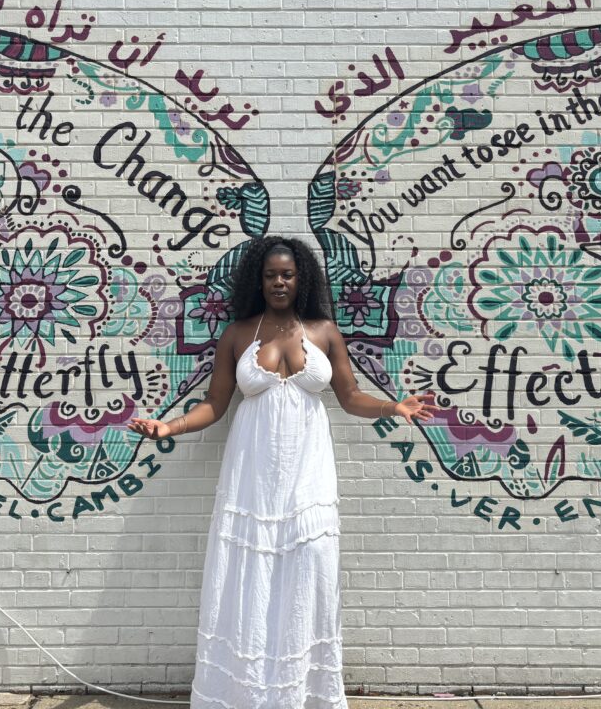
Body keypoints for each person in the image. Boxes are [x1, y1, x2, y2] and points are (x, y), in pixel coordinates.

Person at [128, 236, 435, 709]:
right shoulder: (238, 334)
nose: (278, 282)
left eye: (287, 274)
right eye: (271, 274)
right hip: (253, 474)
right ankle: (244, 694)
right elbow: (215, 404)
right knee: (249, 574)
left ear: (301, 279)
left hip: (308, 474)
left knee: (308, 568)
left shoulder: (325, 332)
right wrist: (170, 427)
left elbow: (351, 398)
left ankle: (303, 695)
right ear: (259, 279)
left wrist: (394, 406)